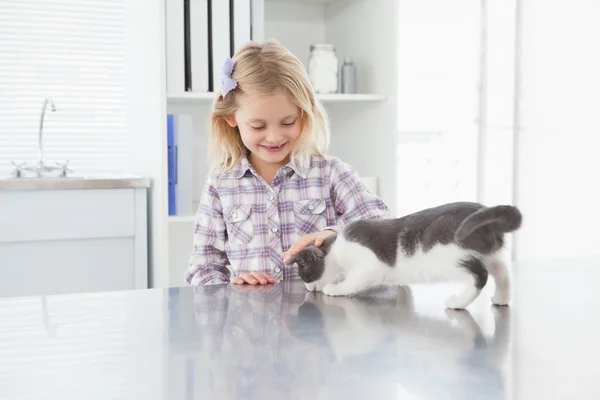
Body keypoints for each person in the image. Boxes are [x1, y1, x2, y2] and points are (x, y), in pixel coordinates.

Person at [184, 40, 394, 286]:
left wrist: (333, 236)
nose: (274, 137)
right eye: (258, 126)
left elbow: (384, 229)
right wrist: (233, 289)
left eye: (287, 123)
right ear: (232, 118)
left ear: (305, 114)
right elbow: (204, 267)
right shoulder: (220, 185)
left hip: (325, 319)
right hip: (252, 321)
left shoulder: (332, 174)